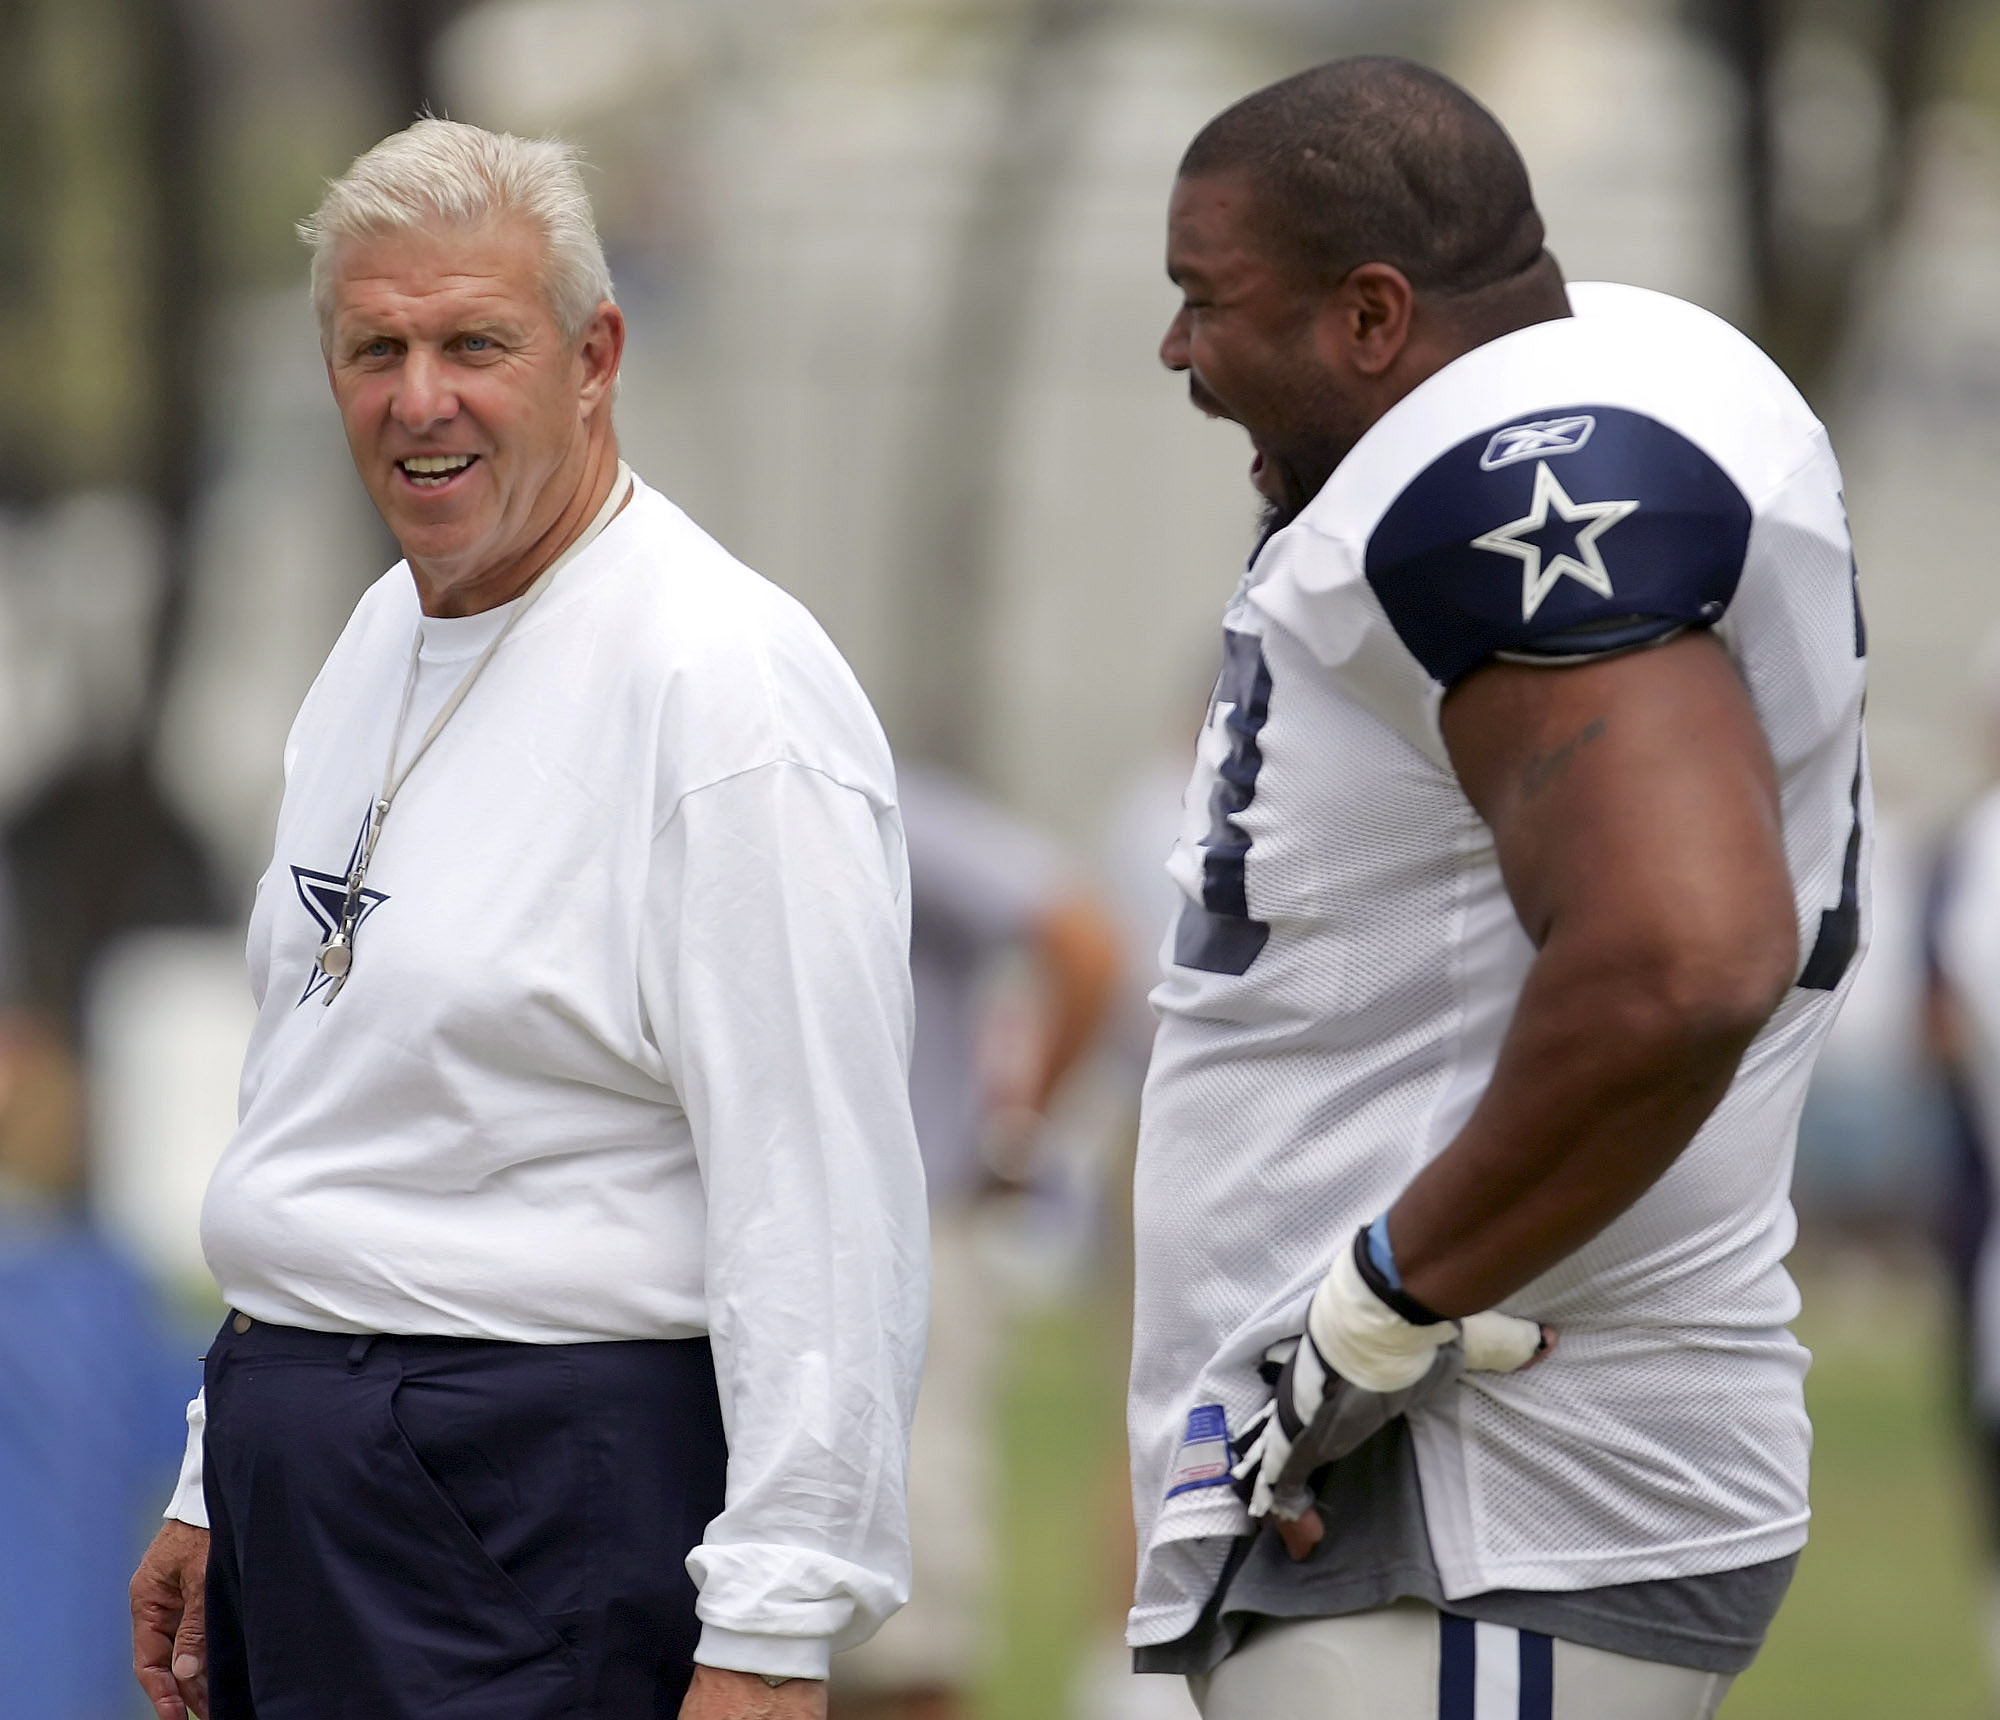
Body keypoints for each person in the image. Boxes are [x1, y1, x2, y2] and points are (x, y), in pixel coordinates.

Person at [127, 120, 928, 1720]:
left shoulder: (722, 686)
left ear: (593, 357)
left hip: (536, 1498)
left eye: (473, 344)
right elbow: (323, 1090)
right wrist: (224, 1472)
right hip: (313, 1475)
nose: (420, 399)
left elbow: (821, 1194)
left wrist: (775, 1629)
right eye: (376, 348)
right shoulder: (378, 636)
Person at [1125, 58, 1868, 1718]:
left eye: (1207, 300)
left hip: (1485, 1480)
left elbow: (1683, 951)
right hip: (1451, 1495)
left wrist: (1382, 1307)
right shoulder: (1547, 400)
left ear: (1375, 314)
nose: (1178, 351)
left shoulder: (1507, 469)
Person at [832, 761, 1118, 1720]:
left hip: (901, 1243)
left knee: (909, 1633)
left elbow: (1079, 940)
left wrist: (1016, 1131)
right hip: (752, 1251)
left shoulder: (875, 790)